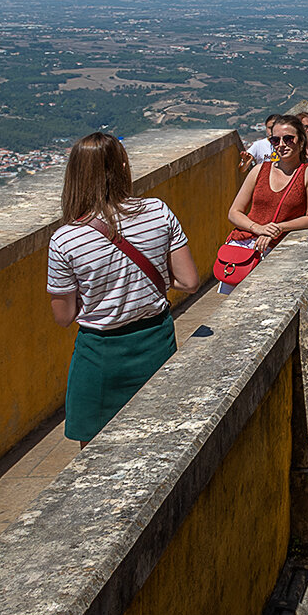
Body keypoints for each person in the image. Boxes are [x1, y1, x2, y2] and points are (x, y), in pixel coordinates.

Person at [47, 133, 199, 445]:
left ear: (74, 174)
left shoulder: (65, 239)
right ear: (124, 166)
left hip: (100, 356)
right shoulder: (158, 211)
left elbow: (63, 316)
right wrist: (144, 280)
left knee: (95, 461)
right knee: (158, 447)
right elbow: (189, 282)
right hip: (156, 341)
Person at [223, 116, 308, 277]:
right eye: (275, 140)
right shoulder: (259, 170)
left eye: (288, 139)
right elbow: (234, 212)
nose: (282, 145)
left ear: (301, 141)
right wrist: (258, 228)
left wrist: (278, 228)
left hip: (276, 249)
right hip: (242, 249)